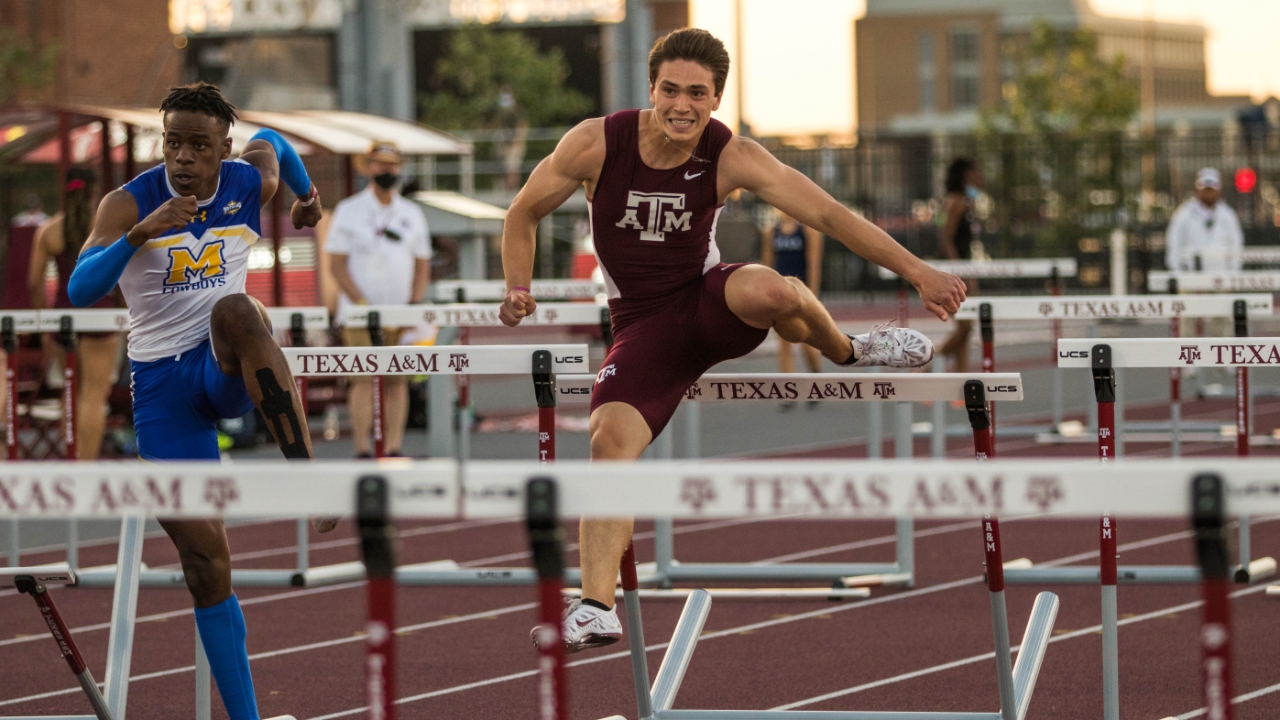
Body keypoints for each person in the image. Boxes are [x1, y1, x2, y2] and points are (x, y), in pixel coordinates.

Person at [499, 28, 965, 653]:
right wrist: (518, 285)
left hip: (708, 302)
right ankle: (595, 608)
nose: (682, 107)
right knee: (608, 440)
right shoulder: (594, 144)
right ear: (651, 89)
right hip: (642, 327)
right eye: (670, 91)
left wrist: (918, 270)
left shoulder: (731, 154)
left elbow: (827, 214)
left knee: (776, 292)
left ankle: (851, 349)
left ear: (716, 99)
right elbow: (521, 212)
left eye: (697, 94)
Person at [67, 82, 333, 720]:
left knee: (240, 309)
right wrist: (138, 235)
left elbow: (277, 147)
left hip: (222, 369)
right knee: (205, 562)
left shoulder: (247, 182)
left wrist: (309, 199)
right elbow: (78, 290)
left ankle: (311, 480)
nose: (182, 158)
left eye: (197, 146)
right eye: (172, 144)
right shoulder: (127, 202)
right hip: (163, 392)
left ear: (223, 149)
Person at [325, 141, 432, 458]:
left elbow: (423, 263)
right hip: (358, 313)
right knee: (361, 378)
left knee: (398, 380)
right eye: (380, 164)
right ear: (368, 168)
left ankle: (394, 447)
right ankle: (362, 448)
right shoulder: (349, 210)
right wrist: (361, 304)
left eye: (393, 164)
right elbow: (337, 265)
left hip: (399, 312)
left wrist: (414, 305)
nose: (387, 170)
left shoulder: (411, 213)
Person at [27, 168, 124, 458]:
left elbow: (34, 283)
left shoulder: (49, 230)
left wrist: (44, 324)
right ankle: (86, 469)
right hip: (100, 315)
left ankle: (70, 462)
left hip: (61, 318)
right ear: (94, 192)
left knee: (70, 393)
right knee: (93, 396)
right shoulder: (105, 227)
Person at [759, 210, 823, 402]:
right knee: (784, 342)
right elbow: (768, 266)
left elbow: (813, 264)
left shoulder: (808, 231)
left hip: (801, 294)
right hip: (781, 295)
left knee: (806, 340)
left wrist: (811, 296)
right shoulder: (771, 232)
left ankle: (816, 379)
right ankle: (789, 392)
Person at [934, 157, 982, 374]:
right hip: (956, 270)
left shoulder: (967, 200)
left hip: (965, 266)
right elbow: (945, 238)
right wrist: (960, 273)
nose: (979, 177)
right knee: (965, 327)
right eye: (974, 174)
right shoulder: (955, 202)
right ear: (964, 177)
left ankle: (962, 380)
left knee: (965, 328)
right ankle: (930, 365)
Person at [1166, 168, 1243, 274]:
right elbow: (1174, 242)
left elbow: (1236, 244)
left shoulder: (1228, 216)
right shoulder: (1183, 214)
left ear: (1219, 190)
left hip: (1221, 277)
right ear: (1197, 189)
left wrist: (1233, 274)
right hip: (1191, 277)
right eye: (1206, 189)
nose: (1209, 193)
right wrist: (1176, 272)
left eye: (1211, 189)